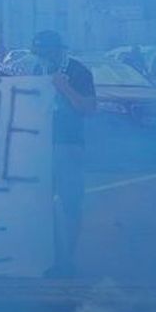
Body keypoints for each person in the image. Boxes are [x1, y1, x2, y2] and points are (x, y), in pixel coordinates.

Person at [27, 30, 95, 277]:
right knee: (38, 202)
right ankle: (45, 257)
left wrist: (64, 87)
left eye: (45, 53)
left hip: (68, 144)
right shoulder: (34, 70)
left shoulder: (78, 71)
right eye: (38, 53)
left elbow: (88, 108)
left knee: (70, 202)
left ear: (58, 51)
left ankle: (67, 260)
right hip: (38, 145)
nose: (42, 58)